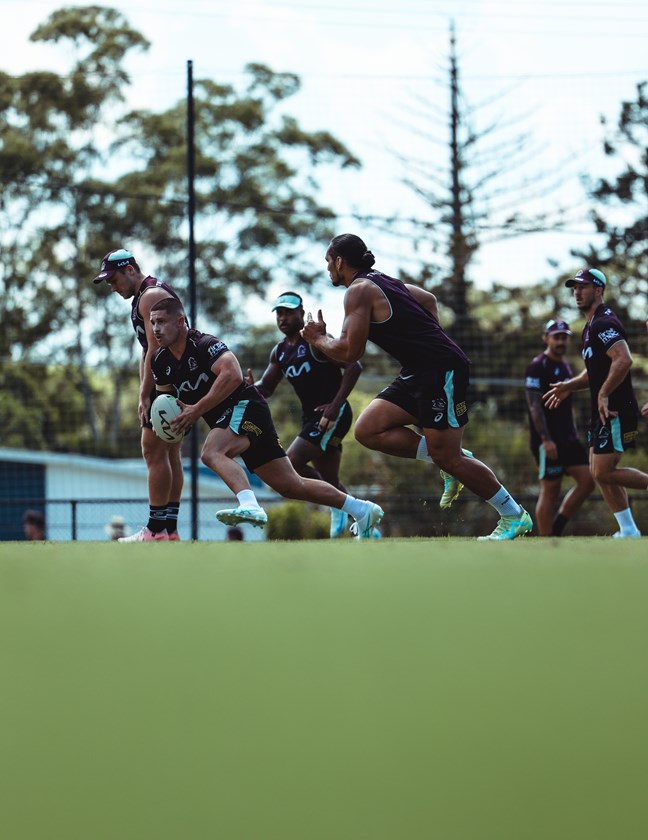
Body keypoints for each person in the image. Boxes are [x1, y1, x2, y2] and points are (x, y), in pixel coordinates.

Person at [300, 233, 533, 540]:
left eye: (328, 261)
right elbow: (428, 299)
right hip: (419, 371)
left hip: (441, 370)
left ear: (340, 261)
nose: (328, 268)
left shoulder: (358, 290)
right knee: (368, 429)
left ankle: (514, 515)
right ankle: (447, 456)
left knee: (450, 459)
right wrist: (422, 339)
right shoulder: (384, 281)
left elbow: (349, 352)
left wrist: (317, 338)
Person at [148, 297, 383, 538]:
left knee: (212, 452)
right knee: (291, 485)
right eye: (152, 322)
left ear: (180, 321)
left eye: (162, 322)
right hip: (234, 418)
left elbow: (232, 374)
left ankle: (249, 504)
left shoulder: (204, 344)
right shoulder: (159, 361)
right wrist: (173, 425)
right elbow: (166, 405)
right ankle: (362, 509)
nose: (155, 329)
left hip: (246, 406)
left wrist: (195, 409)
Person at [246, 291, 363, 538]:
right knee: (329, 479)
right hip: (311, 418)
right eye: (279, 313)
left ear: (301, 312)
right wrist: (249, 388)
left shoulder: (315, 341)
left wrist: (335, 404)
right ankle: (365, 520)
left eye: (289, 312)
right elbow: (266, 387)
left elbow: (354, 366)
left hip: (333, 414)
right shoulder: (279, 352)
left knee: (292, 464)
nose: (284, 318)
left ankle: (338, 505)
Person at [544, 268, 646, 538]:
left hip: (615, 409)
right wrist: (570, 385)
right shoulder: (590, 326)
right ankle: (628, 530)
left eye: (584, 287)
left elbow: (623, 359)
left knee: (602, 471)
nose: (577, 292)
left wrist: (603, 394)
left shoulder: (603, 323)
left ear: (598, 290)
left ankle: (629, 529)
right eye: (574, 288)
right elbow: (595, 372)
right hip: (602, 409)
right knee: (599, 471)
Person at [93, 249, 184, 542]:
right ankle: (169, 530)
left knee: (153, 449)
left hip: (167, 376)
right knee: (169, 451)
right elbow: (146, 349)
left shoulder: (149, 295)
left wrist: (145, 394)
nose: (113, 286)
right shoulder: (145, 297)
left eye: (114, 279)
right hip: (173, 375)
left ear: (130, 269)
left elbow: (155, 350)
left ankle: (156, 529)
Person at [525, 319, 596, 536]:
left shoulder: (566, 366)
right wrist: (546, 440)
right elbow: (534, 407)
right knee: (550, 490)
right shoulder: (538, 365)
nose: (561, 341)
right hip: (548, 441)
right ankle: (546, 541)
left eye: (564, 336)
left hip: (568, 439)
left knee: (588, 481)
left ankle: (557, 527)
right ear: (546, 338)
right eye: (556, 336)